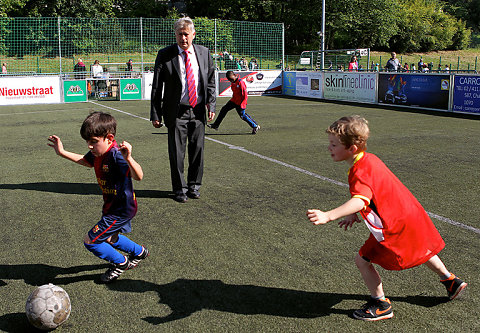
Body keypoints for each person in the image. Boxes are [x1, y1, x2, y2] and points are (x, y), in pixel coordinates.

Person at [306, 116, 467, 321]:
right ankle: (450, 281)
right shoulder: (370, 159)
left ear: (351, 149)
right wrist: (353, 214)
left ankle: (381, 304)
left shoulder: (359, 170)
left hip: (395, 226)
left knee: (362, 260)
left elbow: (361, 199)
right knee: (420, 248)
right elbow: (373, 193)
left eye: (334, 144)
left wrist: (329, 215)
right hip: (410, 216)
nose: (329, 148)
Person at [47, 112, 149, 283]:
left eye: (93, 141)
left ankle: (121, 263)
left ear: (109, 138)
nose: (89, 146)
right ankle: (139, 252)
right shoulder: (98, 154)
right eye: (87, 142)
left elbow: (138, 176)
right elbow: (85, 160)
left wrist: (129, 158)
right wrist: (61, 152)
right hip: (112, 206)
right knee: (109, 238)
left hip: (121, 209)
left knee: (91, 241)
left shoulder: (117, 155)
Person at [150, 17, 216, 203]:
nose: (183, 38)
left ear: (193, 34)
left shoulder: (204, 53)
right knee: (177, 153)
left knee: (198, 151)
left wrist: (211, 103)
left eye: (186, 34)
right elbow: (156, 87)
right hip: (175, 113)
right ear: (176, 35)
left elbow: (210, 81)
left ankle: (194, 186)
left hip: (197, 111)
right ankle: (179, 189)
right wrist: (156, 114)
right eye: (180, 34)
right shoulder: (165, 54)